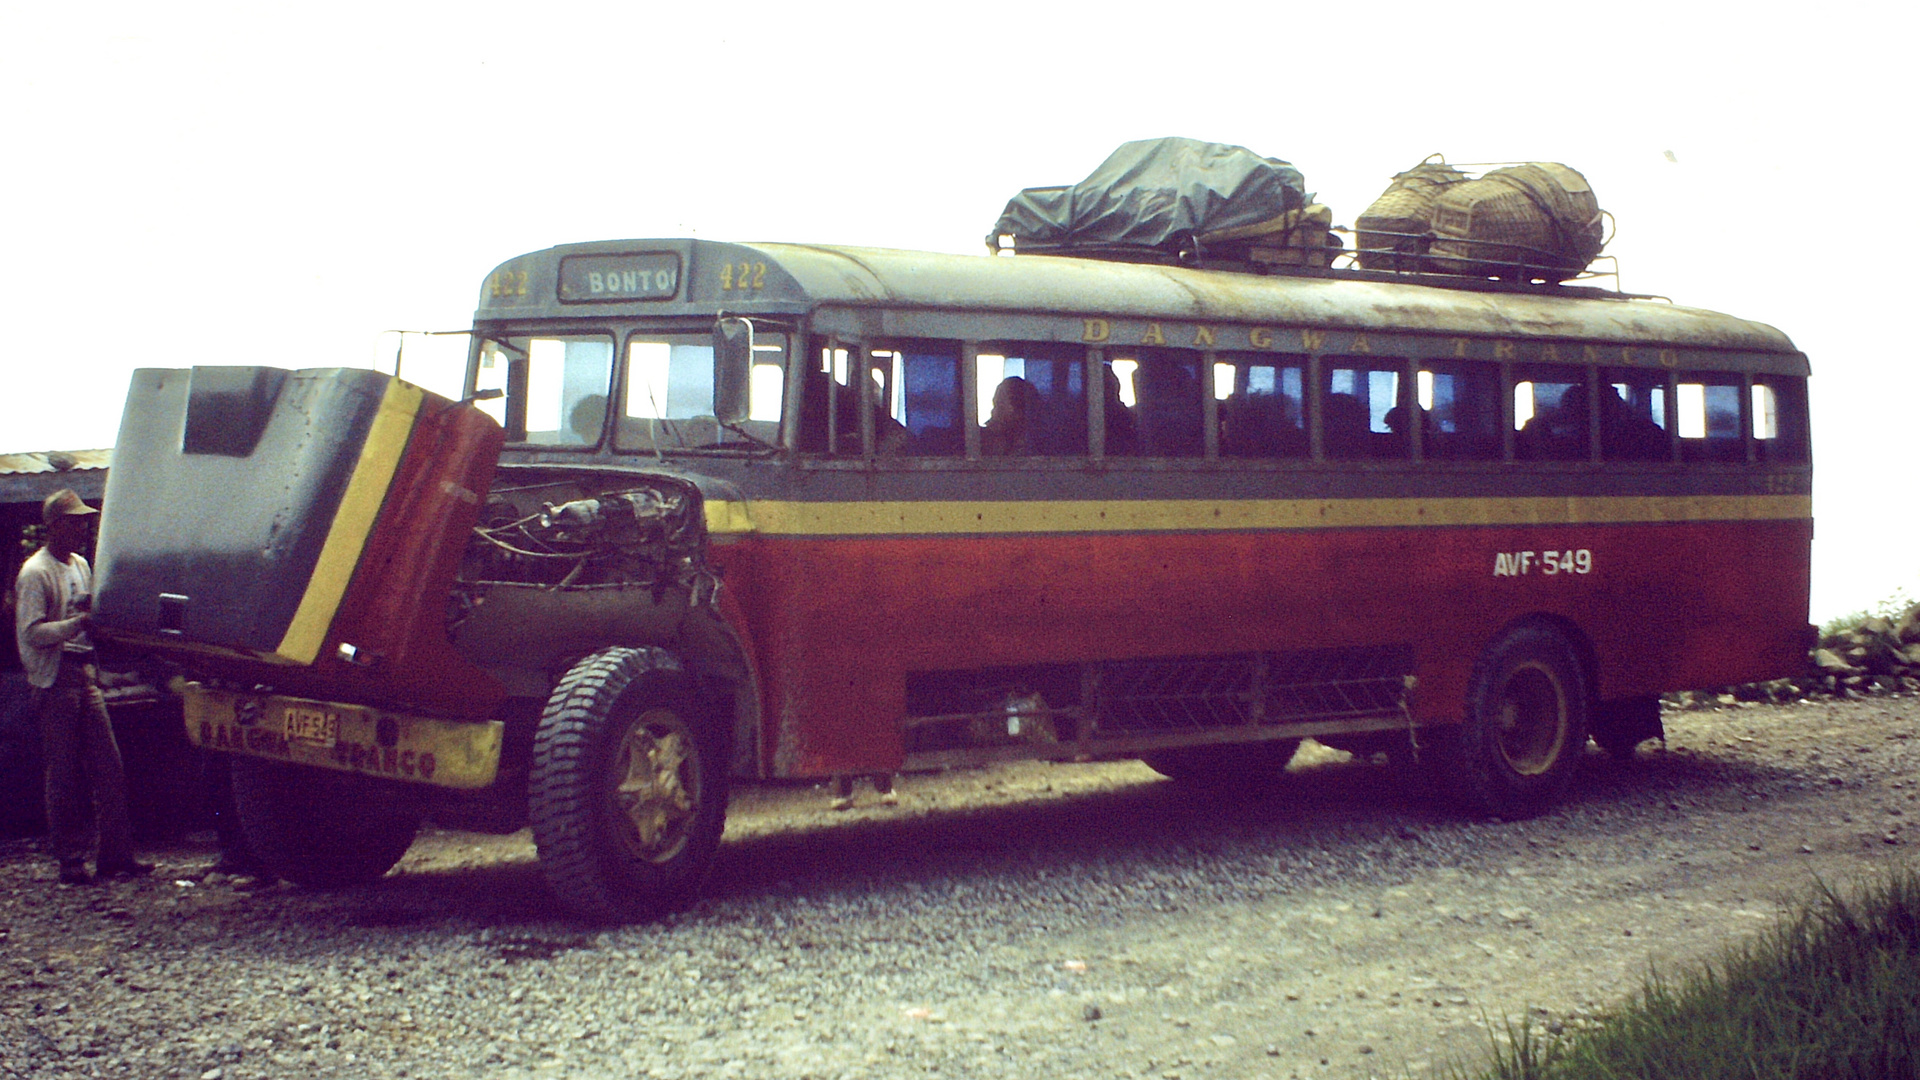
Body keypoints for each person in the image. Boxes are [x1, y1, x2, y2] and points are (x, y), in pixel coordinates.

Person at [13, 489, 151, 885]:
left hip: (83, 672)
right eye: (73, 521)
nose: (81, 527)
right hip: (54, 678)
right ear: (53, 525)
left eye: (82, 520)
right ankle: (70, 859)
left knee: (109, 767)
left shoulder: (80, 565)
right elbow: (31, 633)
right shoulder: (35, 572)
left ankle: (116, 855)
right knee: (63, 772)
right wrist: (76, 625)